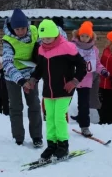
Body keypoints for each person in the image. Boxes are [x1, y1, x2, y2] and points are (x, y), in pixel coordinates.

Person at [27, 19, 87, 161]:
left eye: (48, 38)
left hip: (65, 89)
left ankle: (63, 146)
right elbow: (40, 68)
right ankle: (52, 145)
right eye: (43, 39)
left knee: (59, 117)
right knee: (50, 117)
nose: (46, 41)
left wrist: (75, 81)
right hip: (49, 90)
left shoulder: (67, 47)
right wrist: (32, 80)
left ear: (55, 34)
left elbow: (82, 66)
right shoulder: (41, 49)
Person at [2, 8, 43, 147]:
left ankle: (37, 136)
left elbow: (45, 45)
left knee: (34, 105)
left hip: (31, 74)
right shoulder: (8, 41)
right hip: (13, 77)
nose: (20, 32)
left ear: (27, 26)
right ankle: (18, 137)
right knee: (16, 106)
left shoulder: (35, 32)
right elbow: (7, 63)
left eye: (23, 28)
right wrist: (21, 81)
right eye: (17, 29)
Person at [70, 21, 109, 137]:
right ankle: (58, 123)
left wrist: (103, 70)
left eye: (87, 36)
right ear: (78, 35)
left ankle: (85, 127)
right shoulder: (72, 46)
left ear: (91, 37)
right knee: (64, 102)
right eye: (82, 36)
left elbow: (97, 64)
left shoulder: (94, 49)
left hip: (86, 80)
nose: (84, 38)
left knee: (84, 104)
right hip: (72, 79)